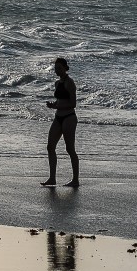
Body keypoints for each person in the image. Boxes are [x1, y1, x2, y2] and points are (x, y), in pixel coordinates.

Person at [43, 57, 79, 187]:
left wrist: (57, 106)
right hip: (58, 117)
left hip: (69, 117)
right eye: (55, 68)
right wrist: (53, 105)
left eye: (59, 68)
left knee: (70, 149)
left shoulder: (70, 82)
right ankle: (52, 178)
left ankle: (75, 180)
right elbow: (59, 101)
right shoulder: (57, 84)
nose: (57, 70)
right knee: (50, 146)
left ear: (65, 67)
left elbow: (73, 103)